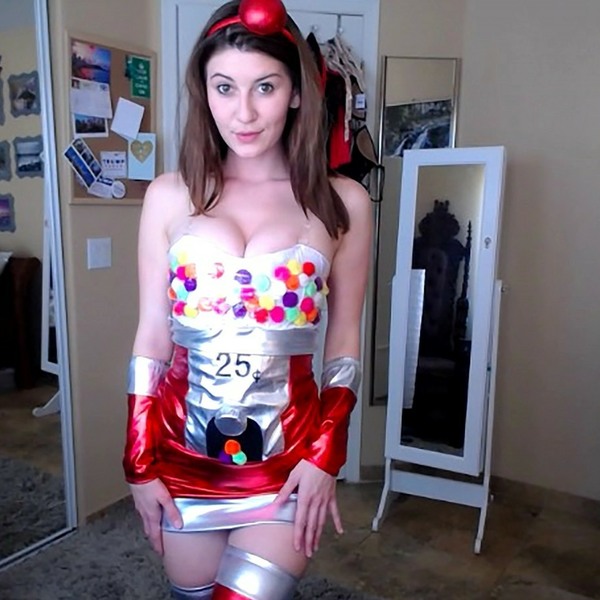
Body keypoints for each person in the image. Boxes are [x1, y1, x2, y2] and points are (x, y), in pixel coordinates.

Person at [123, 0, 371, 598]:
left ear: (296, 92)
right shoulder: (168, 196)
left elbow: (343, 340)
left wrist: (327, 453)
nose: (244, 112)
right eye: (224, 87)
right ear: (203, 92)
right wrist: (138, 458)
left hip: (289, 462)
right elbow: (152, 337)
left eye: (265, 86)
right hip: (181, 453)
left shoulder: (343, 202)